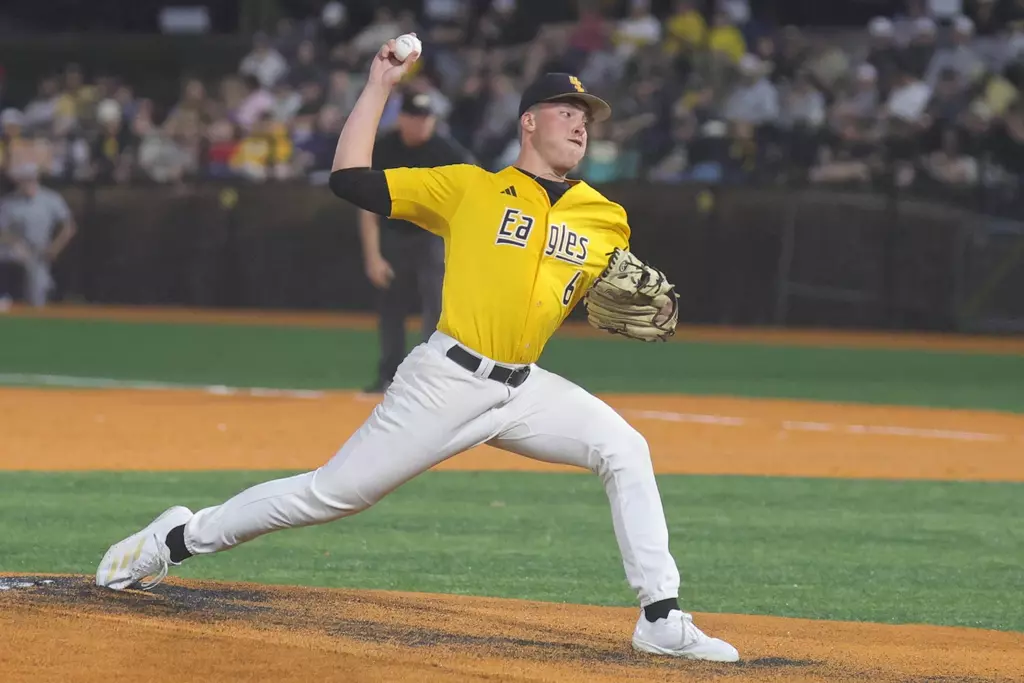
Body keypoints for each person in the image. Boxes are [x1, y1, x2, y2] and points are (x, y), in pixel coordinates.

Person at [95, 37, 739, 663]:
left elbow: (600, 290)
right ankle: (178, 537)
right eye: (567, 112)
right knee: (331, 495)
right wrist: (378, 85)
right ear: (528, 122)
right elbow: (349, 179)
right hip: (445, 381)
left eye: (587, 118)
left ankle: (661, 617)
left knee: (624, 448)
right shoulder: (469, 189)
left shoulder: (605, 216)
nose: (580, 125)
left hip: (524, 388)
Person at [360, 90, 473, 393]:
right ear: (402, 119)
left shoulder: (448, 151)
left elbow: (472, 199)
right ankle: (389, 377)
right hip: (394, 236)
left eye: (427, 118)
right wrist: (373, 256)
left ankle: (428, 379)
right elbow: (367, 207)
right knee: (391, 309)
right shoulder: (384, 149)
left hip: (433, 238)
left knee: (437, 311)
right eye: (415, 117)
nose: (422, 124)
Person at [0, 163, 77, 307]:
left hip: (40, 251)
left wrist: (55, 248)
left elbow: (69, 226)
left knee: (38, 286)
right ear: (18, 181)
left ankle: (37, 311)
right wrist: (14, 242)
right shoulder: (8, 203)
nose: (29, 183)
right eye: (25, 179)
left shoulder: (50, 199)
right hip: (14, 249)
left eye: (32, 179)